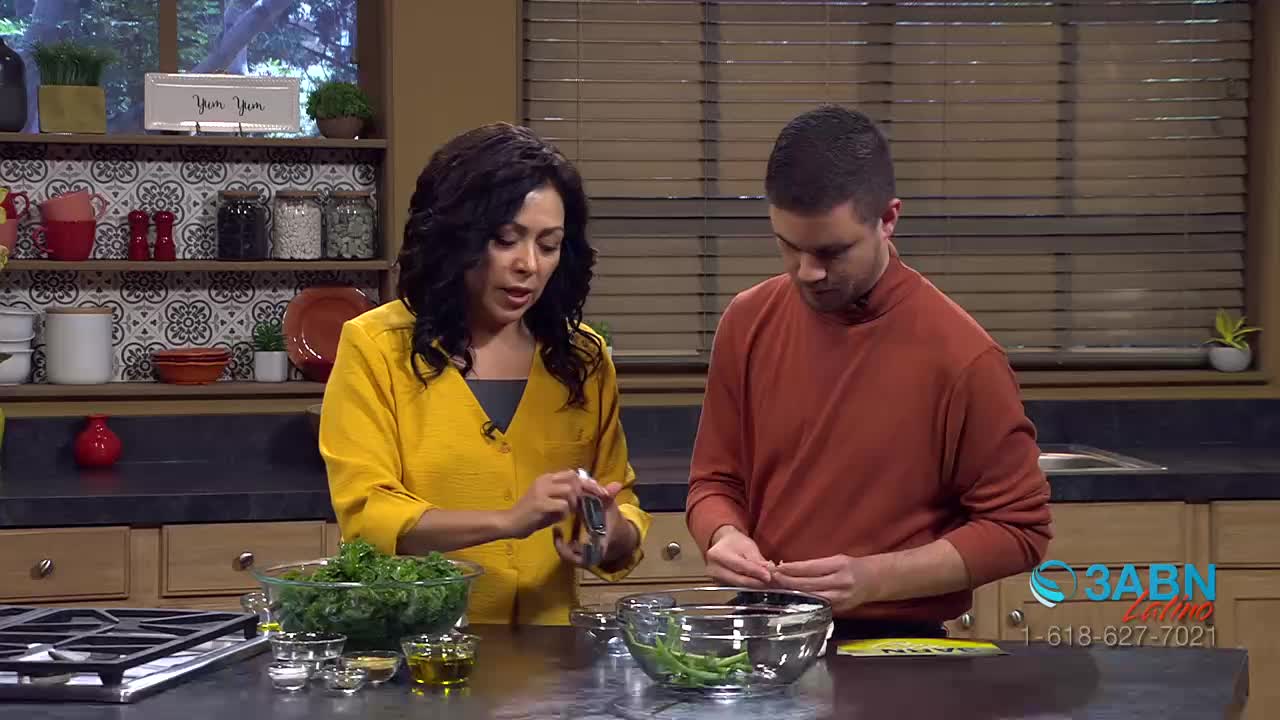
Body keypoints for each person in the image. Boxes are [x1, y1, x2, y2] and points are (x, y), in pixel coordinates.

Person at [685, 105, 1053, 640]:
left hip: (898, 649)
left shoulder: (963, 358)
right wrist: (722, 535)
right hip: (763, 633)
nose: (807, 273)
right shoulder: (747, 322)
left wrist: (871, 578)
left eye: (832, 252)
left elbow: (1019, 531)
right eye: (789, 246)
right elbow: (714, 481)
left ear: (888, 219)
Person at [320, 122, 651, 626]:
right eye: (505, 239)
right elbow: (368, 516)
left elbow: (619, 501)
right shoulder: (376, 348)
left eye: (549, 244)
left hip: (549, 665)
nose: (529, 265)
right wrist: (506, 521)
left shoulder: (583, 358)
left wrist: (609, 532)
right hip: (419, 652)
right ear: (456, 239)